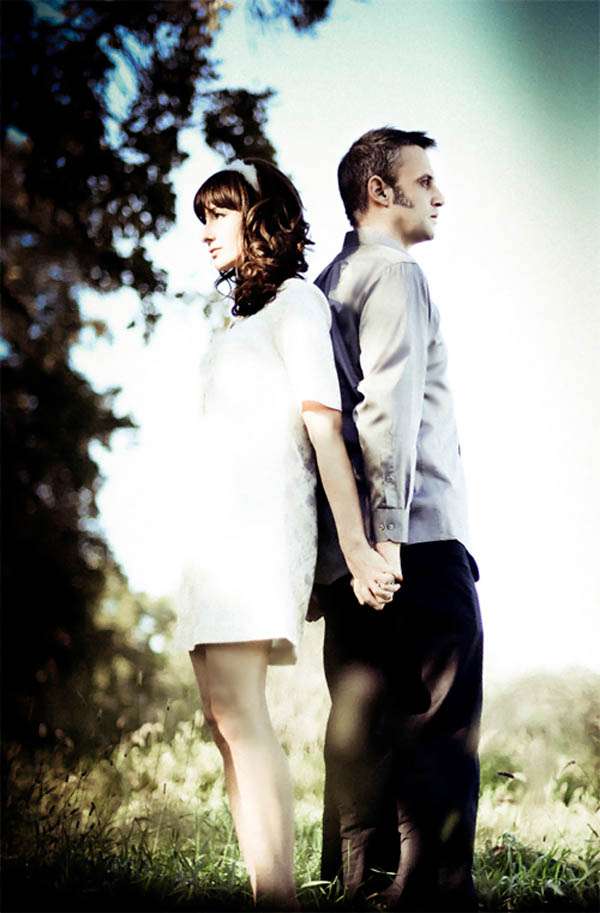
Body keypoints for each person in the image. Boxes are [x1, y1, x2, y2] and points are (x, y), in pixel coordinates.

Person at [172, 157, 400, 910]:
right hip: (214, 540)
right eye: (202, 216)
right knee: (221, 718)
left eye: (220, 213)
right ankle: (263, 890)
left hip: (259, 535)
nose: (206, 230)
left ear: (261, 215)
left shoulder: (299, 302)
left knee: (242, 712)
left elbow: (325, 430)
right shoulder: (242, 319)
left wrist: (357, 546)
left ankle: (279, 900)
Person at [312, 128, 484, 911]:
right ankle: (430, 893)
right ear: (380, 190)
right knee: (438, 723)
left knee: (363, 727)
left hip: (350, 555)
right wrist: (388, 538)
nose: (438, 195)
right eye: (424, 180)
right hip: (414, 538)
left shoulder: (324, 286)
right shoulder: (396, 273)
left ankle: (357, 885)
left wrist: (336, 558)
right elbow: (387, 409)